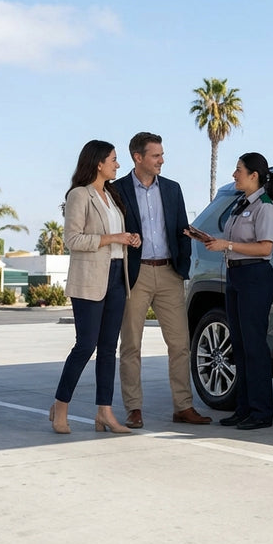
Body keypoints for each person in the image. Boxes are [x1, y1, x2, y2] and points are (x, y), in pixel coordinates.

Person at [113, 131, 211, 428]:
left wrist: (183, 267)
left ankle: (183, 407)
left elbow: (181, 227)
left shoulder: (172, 189)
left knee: (180, 344)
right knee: (131, 345)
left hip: (169, 273)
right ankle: (134, 408)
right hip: (136, 274)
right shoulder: (117, 190)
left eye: (161, 154)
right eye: (156, 155)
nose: (161, 160)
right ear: (138, 157)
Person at [49, 139, 141, 435]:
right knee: (85, 345)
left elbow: (114, 236)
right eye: (113, 159)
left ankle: (105, 412)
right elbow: (73, 240)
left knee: (108, 350)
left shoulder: (111, 196)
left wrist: (128, 239)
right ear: (98, 162)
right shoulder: (79, 195)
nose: (117, 164)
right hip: (89, 279)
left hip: (117, 276)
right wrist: (113, 238)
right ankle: (60, 407)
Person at [201, 152, 273, 430]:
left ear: (254, 175)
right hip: (236, 276)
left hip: (255, 276)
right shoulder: (241, 205)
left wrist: (228, 246)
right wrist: (216, 242)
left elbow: (265, 247)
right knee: (239, 344)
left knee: (255, 346)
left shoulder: (266, 207)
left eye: (238, 170)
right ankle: (244, 408)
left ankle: (262, 412)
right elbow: (233, 241)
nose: (234, 175)